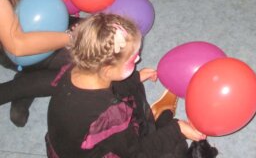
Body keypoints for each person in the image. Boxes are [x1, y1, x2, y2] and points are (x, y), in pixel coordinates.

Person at [46, 13, 208, 158]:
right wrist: (176, 131)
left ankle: (156, 124)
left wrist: (136, 77)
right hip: (99, 152)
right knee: (175, 150)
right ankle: (163, 126)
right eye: (133, 59)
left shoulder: (77, 69)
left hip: (69, 144)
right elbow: (136, 153)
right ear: (108, 70)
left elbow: (108, 83)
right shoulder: (108, 114)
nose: (137, 60)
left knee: (132, 88)